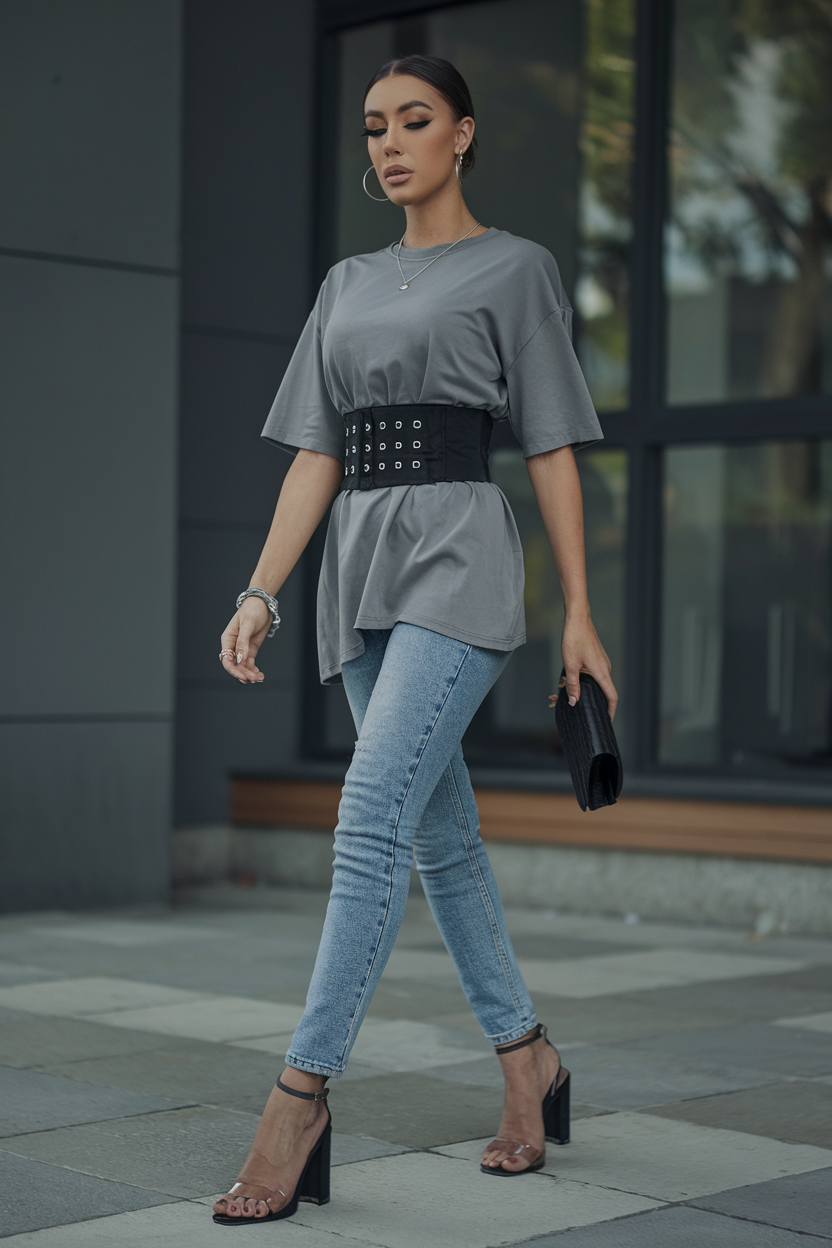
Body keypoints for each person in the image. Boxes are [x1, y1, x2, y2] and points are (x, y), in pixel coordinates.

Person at [212, 53, 618, 1226]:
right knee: (442, 839)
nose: (389, 143)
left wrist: (580, 614)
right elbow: (317, 453)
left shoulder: (515, 268)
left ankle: (300, 1097)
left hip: (459, 556)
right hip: (358, 568)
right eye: (375, 126)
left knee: (368, 818)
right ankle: (528, 1061)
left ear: (464, 135)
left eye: (415, 121)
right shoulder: (344, 281)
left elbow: (547, 445)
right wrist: (259, 591)